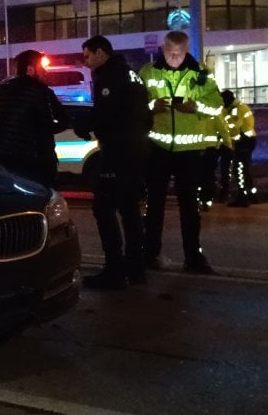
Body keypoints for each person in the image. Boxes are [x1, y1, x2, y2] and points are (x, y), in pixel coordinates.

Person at [138, 31, 223, 274]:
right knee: (154, 205)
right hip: (158, 149)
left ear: (186, 51)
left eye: (179, 53)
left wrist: (194, 106)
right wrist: (151, 107)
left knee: (190, 207)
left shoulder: (201, 74)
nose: (174, 58)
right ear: (162, 50)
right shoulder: (148, 72)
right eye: (169, 53)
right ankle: (150, 252)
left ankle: (193, 257)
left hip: (189, 151)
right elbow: (134, 105)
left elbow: (217, 107)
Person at [74, 36, 151, 290]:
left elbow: (106, 112)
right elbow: (146, 116)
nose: (85, 62)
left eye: (87, 56)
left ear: (100, 53)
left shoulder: (110, 76)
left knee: (104, 209)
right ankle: (136, 267)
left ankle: (114, 271)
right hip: (137, 151)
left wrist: (84, 125)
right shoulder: (132, 75)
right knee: (130, 209)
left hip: (118, 151)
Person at [0, 49, 72, 187]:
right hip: (25, 166)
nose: (45, 71)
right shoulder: (41, 91)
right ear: (30, 69)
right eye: (42, 67)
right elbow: (50, 126)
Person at [220, 89, 256, 207]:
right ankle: (252, 195)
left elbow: (235, 126)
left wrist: (225, 133)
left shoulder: (237, 109)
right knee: (245, 169)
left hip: (243, 142)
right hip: (246, 141)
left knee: (239, 170)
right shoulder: (236, 107)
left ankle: (243, 197)